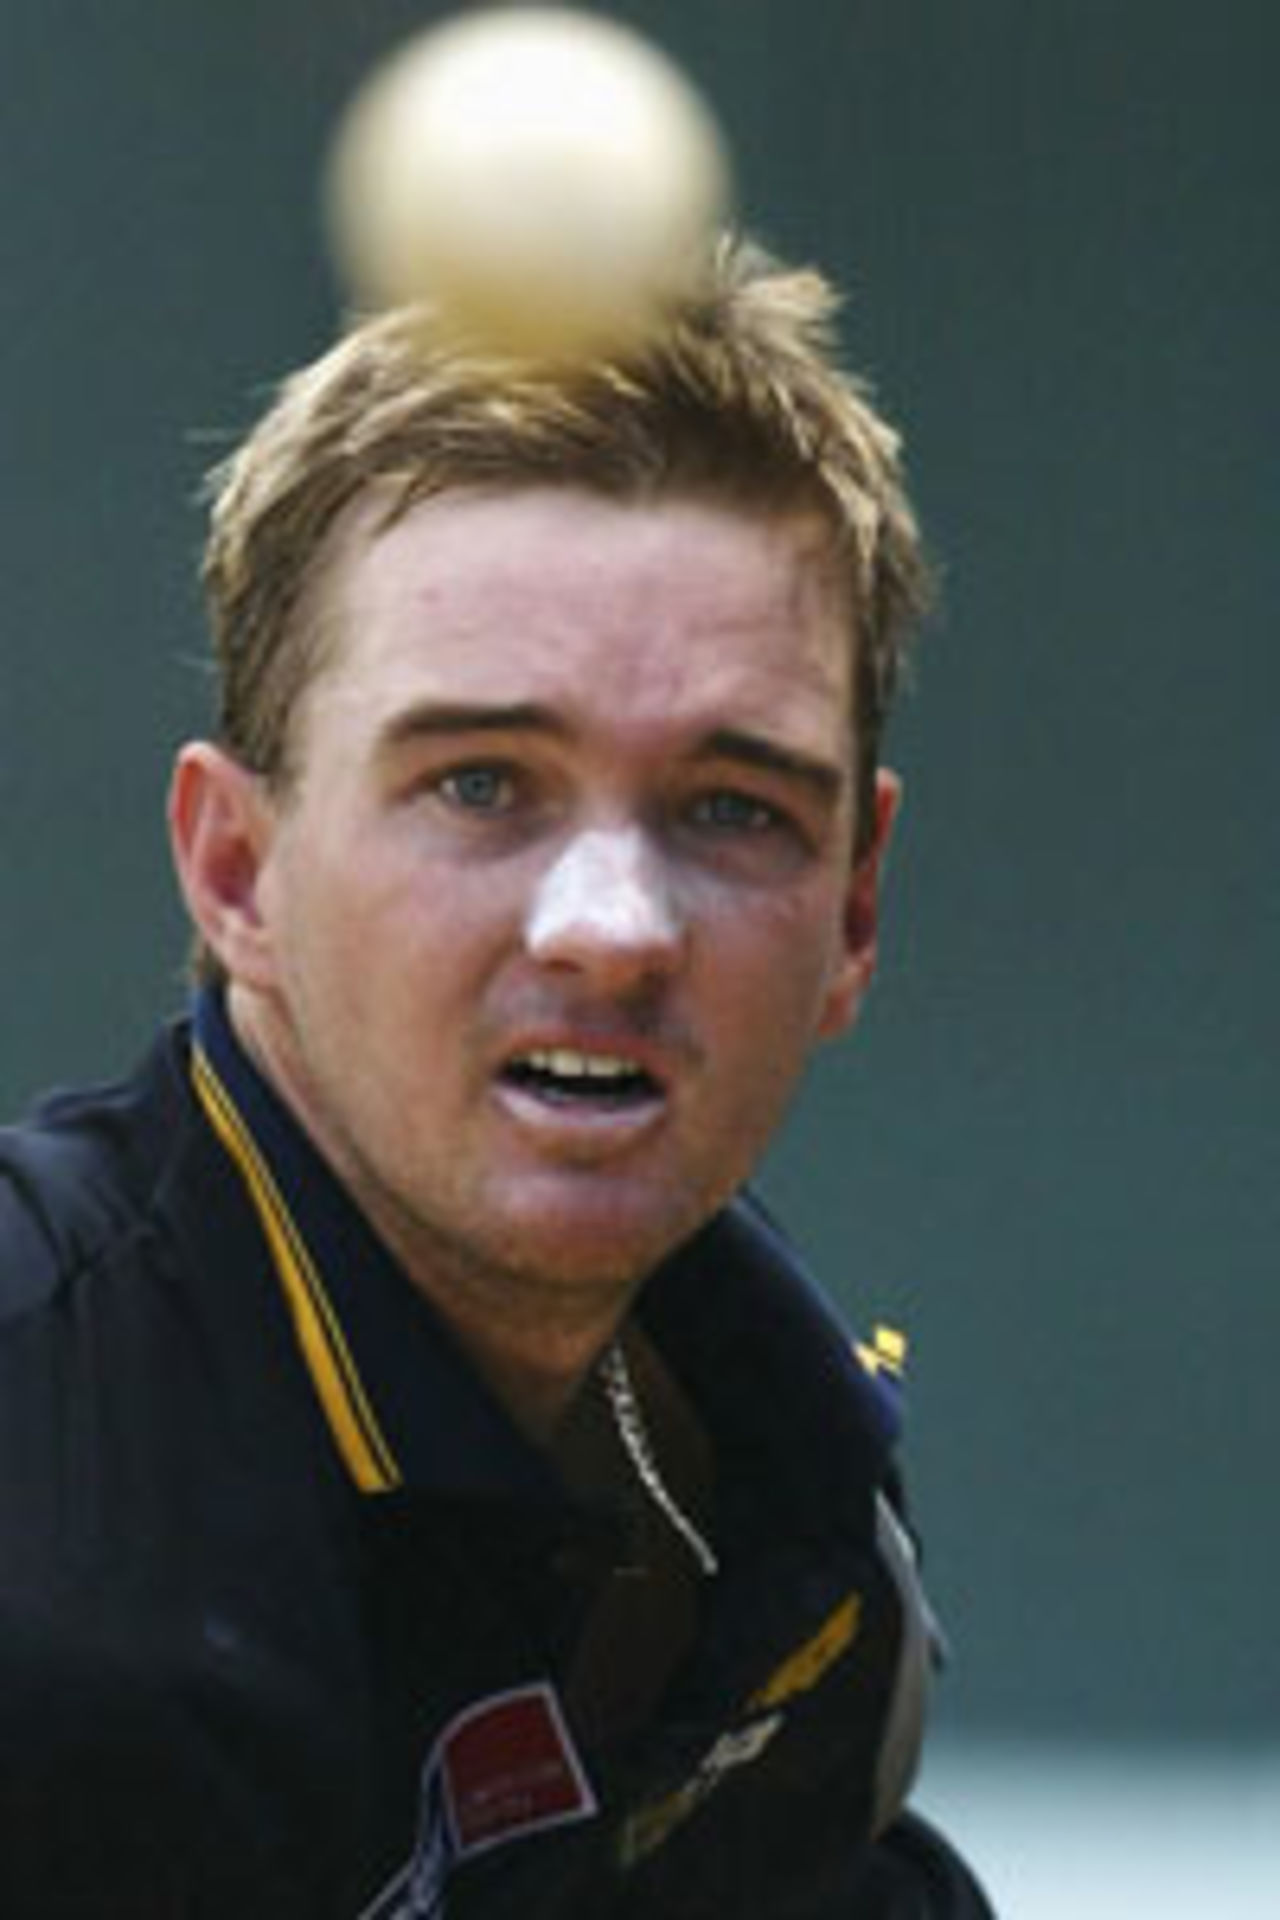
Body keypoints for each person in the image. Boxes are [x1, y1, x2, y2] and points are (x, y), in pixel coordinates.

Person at [0, 236, 993, 1917]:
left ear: (854, 913)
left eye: (733, 808)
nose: (615, 930)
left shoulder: (781, 1509)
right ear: (236, 870)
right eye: (480, 785)